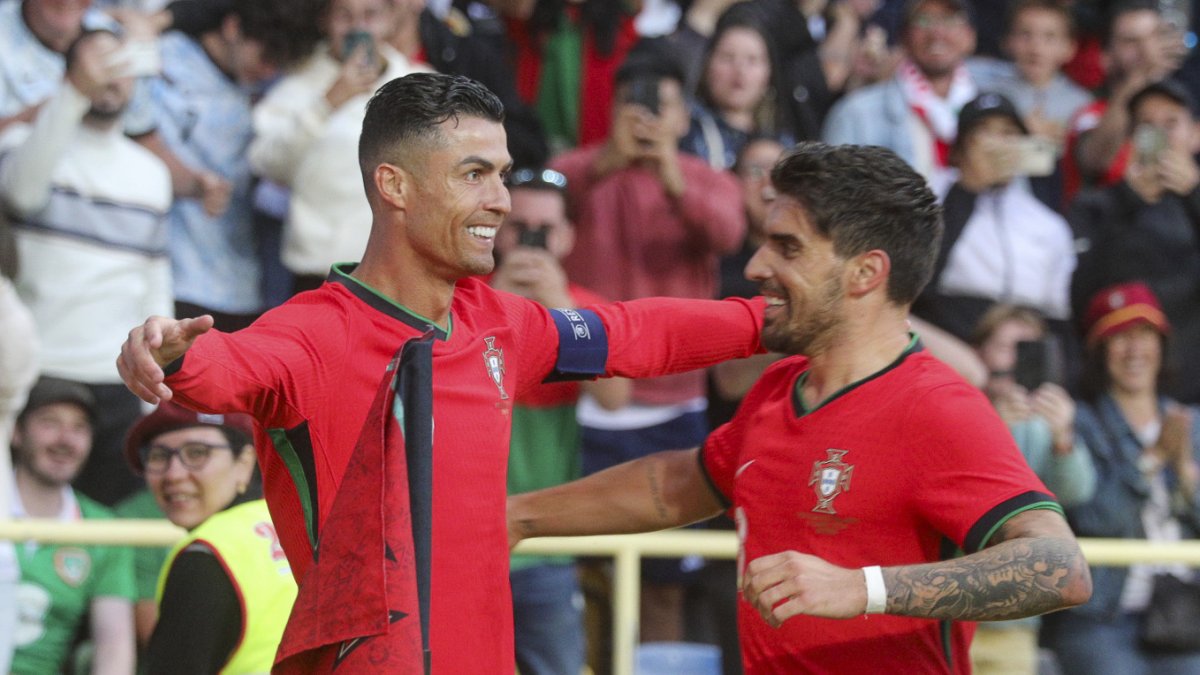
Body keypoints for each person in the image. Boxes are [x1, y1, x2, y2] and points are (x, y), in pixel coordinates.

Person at [116, 72, 766, 672]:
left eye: (503, 175)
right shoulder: (315, 333)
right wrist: (172, 356)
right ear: (395, 185)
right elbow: (224, 364)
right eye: (474, 174)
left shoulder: (500, 323)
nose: (502, 202)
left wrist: (769, 320)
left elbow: (634, 333)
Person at [507, 141, 1092, 674]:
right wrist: (519, 515)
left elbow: (1059, 567)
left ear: (866, 273)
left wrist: (864, 589)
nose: (758, 266)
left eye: (787, 247)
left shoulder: (935, 407)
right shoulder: (781, 384)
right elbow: (679, 483)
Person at [551, 39, 747, 643]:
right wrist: (611, 159)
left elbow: (729, 232)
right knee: (574, 572)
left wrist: (668, 171)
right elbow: (542, 208)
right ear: (612, 110)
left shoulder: (705, 178)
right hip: (585, 396)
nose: (647, 120)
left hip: (674, 403)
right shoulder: (581, 169)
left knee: (666, 580)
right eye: (635, 106)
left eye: (661, 108)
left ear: (684, 116)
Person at [0, 29, 172, 506]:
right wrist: (73, 93)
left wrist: (156, 378)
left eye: (122, 68)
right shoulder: (23, 143)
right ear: (70, 73)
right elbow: (21, 194)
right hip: (35, 364)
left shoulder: (151, 174)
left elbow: (153, 282)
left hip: (117, 375)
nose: (110, 78)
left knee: (108, 520)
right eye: (99, 65)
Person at [491, 166, 631, 675]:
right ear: (498, 228)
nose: (532, 239)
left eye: (546, 228)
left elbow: (618, 398)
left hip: (544, 540)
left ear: (568, 236)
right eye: (519, 224)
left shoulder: (583, 310)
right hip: (460, 539)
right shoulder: (463, 298)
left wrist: (561, 311)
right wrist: (497, 304)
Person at [1041, 282, 1200, 675]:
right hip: (1101, 619)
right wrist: (1153, 459)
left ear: (1162, 345)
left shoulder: (1191, 423)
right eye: (1119, 337)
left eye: (1145, 334)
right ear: (1098, 351)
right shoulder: (1081, 422)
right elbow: (1098, 519)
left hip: (1181, 614)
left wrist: (1184, 472)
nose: (1134, 350)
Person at [142, 0, 318, 331]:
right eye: (265, 56)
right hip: (174, 278)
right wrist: (194, 183)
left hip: (244, 284)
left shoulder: (270, 90)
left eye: (279, 62)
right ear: (233, 27)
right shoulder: (163, 61)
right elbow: (139, 140)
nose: (269, 70)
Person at [247, 0, 428, 294]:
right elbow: (266, 163)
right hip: (316, 274)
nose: (358, 27)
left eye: (371, 15)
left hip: (397, 272)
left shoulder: (421, 82)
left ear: (391, 19)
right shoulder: (297, 83)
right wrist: (327, 103)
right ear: (326, 21)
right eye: (345, 16)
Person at [967, 303, 1097, 675]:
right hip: (948, 612)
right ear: (979, 353)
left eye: (1029, 349)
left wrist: (1063, 439)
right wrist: (991, 428)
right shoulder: (954, 408)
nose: (1016, 360)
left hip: (1014, 620)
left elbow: (1077, 492)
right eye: (1008, 347)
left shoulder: (1041, 424)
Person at [124, 402, 296, 675]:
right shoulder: (291, 522)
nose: (174, 474)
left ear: (245, 462)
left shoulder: (207, 554)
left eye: (197, 453)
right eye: (158, 457)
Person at [1069, 78, 1200, 405]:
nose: (1162, 135)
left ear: (1195, 134)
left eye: (1171, 123)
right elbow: (1081, 289)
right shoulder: (1096, 206)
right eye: (1147, 125)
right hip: (1117, 387)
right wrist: (1128, 199)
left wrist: (1193, 195)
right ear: (1131, 138)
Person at [912, 93, 1077, 349]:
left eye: (1008, 133)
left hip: (1024, 346)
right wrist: (967, 190)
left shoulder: (1048, 223)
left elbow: (1058, 315)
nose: (996, 144)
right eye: (983, 133)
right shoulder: (928, 196)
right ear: (958, 150)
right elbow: (918, 284)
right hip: (949, 339)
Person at [9, 377, 136, 675]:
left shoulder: (104, 529)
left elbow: (114, 647)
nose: (66, 439)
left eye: (79, 427)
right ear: (16, 432)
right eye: (50, 423)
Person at [823, 0, 978, 182]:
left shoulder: (994, 109)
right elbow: (832, 195)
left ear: (970, 37)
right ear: (904, 37)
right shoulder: (857, 113)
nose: (937, 32)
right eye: (923, 20)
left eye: (950, 20)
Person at [1064, 0, 1181, 202]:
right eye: (1131, 41)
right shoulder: (1089, 111)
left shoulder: (1186, 109)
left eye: (1155, 36)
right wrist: (1139, 77)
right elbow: (1095, 161)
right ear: (1105, 56)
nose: (1147, 50)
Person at [679, 9, 789, 170]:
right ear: (706, 65)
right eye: (727, 57)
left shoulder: (783, 143)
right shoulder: (684, 129)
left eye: (752, 60)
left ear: (769, 73)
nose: (740, 71)